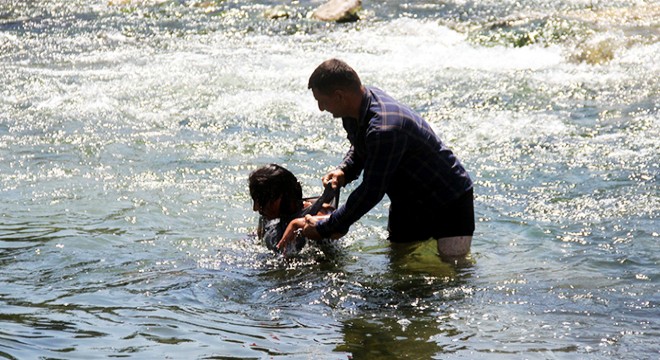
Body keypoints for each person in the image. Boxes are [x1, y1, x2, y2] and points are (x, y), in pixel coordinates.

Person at [277, 59, 475, 260]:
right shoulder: (354, 108)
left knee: (453, 274)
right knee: (399, 267)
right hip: (407, 202)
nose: (320, 108)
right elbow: (362, 147)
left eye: (322, 101)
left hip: (448, 200)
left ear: (339, 96)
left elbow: (371, 191)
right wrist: (344, 170)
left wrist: (328, 227)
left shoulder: (384, 128)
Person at [248, 164, 338, 254]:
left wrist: (296, 224)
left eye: (261, 201)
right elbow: (257, 243)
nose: (255, 208)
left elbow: (338, 221)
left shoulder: (317, 212)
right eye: (254, 201)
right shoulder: (267, 217)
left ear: (281, 197)